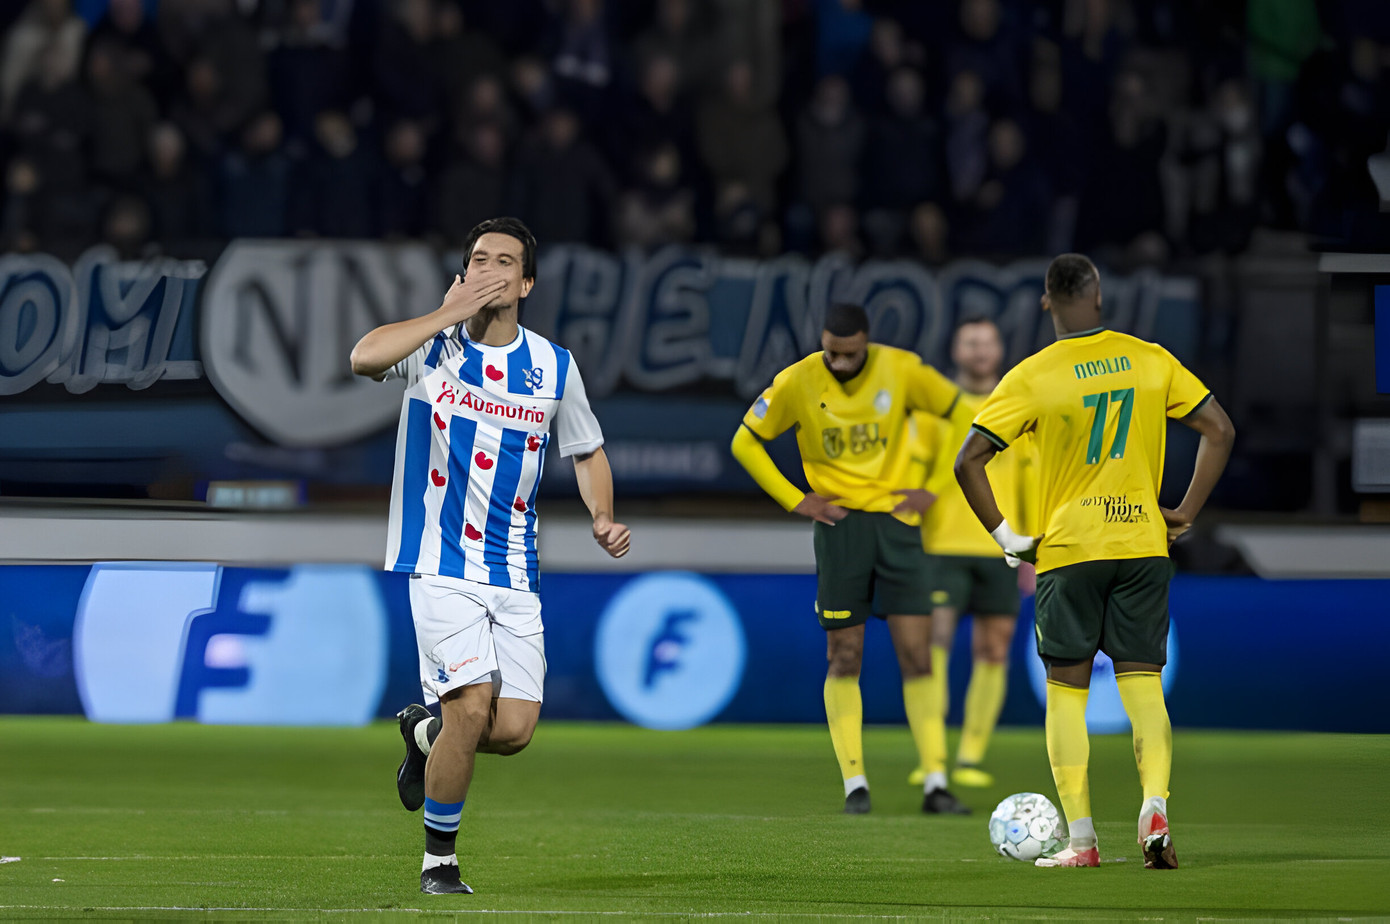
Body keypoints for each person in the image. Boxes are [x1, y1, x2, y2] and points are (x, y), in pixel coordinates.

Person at [349, 217, 631, 894]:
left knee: (512, 731)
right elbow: (363, 357)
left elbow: (587, 450)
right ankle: (439, 864)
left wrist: (601, 514)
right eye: (479, 259)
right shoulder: (432, 347)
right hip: (439, 564)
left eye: (505, 262)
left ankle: (425, 738)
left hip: (514, 571)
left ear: (526, 283)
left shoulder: (553, 366)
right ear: (464, 273)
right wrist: (445, 312)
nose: (490, 270)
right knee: (472, 707)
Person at [954, 253, 1234, 869]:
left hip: (1069, 550)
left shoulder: (1033, 375)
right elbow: (1220, 429)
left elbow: (968, 459)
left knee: (1065, 695)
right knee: (1143, 687)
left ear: (1047, 301)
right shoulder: (1150, 359)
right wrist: (1184, 511)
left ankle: (1082, 842)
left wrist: (1007, 537)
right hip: (1141, 543)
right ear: (1099, 295)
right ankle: (1154, 803)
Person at [730, 302, 971, 816]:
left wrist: (933, 485)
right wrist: (796, 499)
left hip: (898, 526)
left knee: (918, 655)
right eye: (831, 353)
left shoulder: (901, 368)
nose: (839, 363)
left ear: (867, 344)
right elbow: (744, 442)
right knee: (843, 655)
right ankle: (854, 784)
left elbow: (961, 413)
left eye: (850, 355)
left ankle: (935, 783)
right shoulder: (797, 380)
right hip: (840, 529)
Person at [905, 317, 1036, 790]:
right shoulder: (935, 410)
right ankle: (934, 757)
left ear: (999, 349)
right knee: (933, 645)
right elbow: (911, 481)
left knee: (994, 649)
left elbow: (1031, 482)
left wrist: (1032, 550)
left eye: (987, 342)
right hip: (941, 546)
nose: (980, 350)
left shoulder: (1017, 407)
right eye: (970, 342)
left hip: (1001, 548)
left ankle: (970, 758)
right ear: (956, 350)